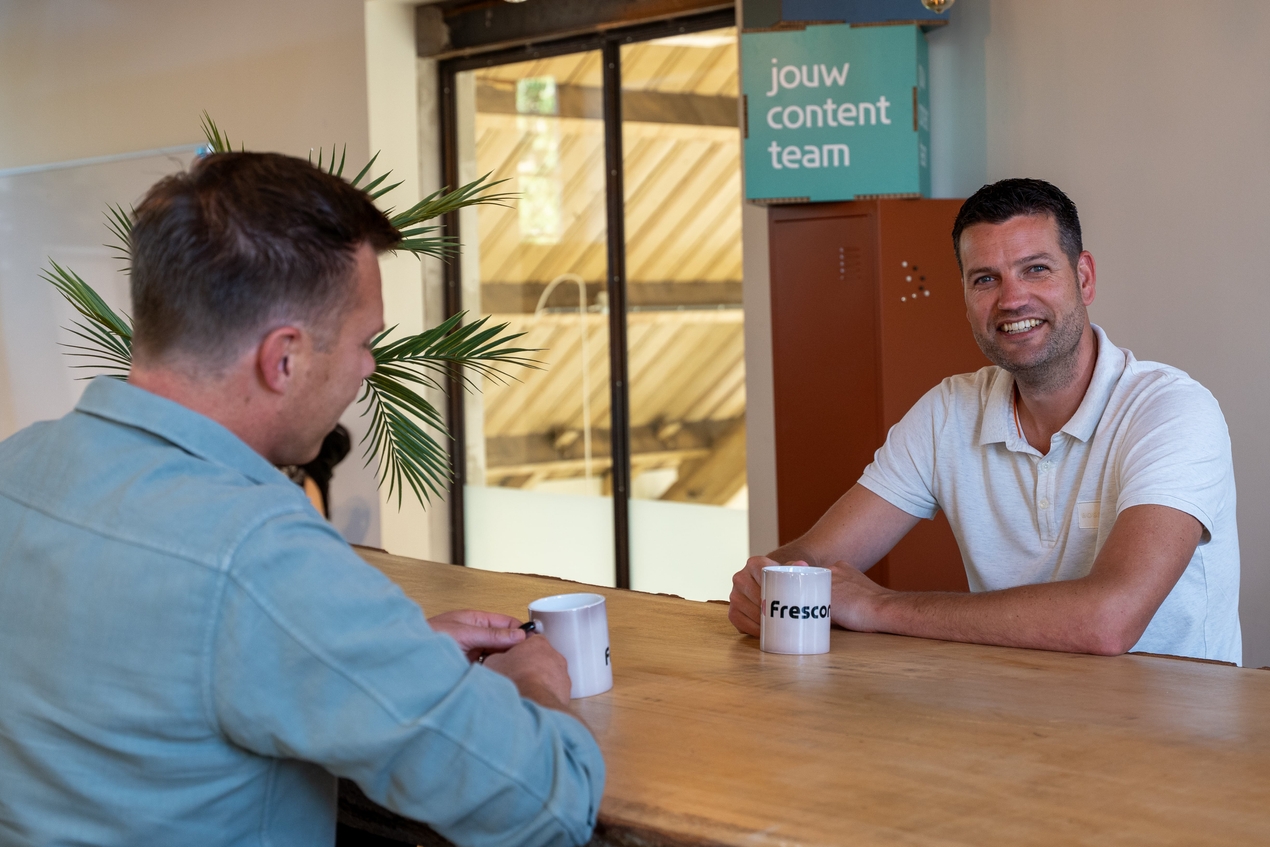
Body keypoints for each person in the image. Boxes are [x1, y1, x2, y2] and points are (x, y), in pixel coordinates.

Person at [0, 152, 604, 846]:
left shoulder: (17, 471)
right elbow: (545, 805)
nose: (368, 367)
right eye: (364, 341)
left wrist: (366, 660)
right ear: (283, 357)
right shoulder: (261, 556)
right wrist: (534, 682)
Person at [729, 178, 1241, 664]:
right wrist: (770, 581)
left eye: (1036, 269)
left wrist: (878, 607)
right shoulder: (949, 411)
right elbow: (814, 559)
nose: (1012, 299)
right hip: (1012, 723)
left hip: (1175, 739)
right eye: (985, 279)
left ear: (1083, 278)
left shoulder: (1172, 411)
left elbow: (1110, 620)